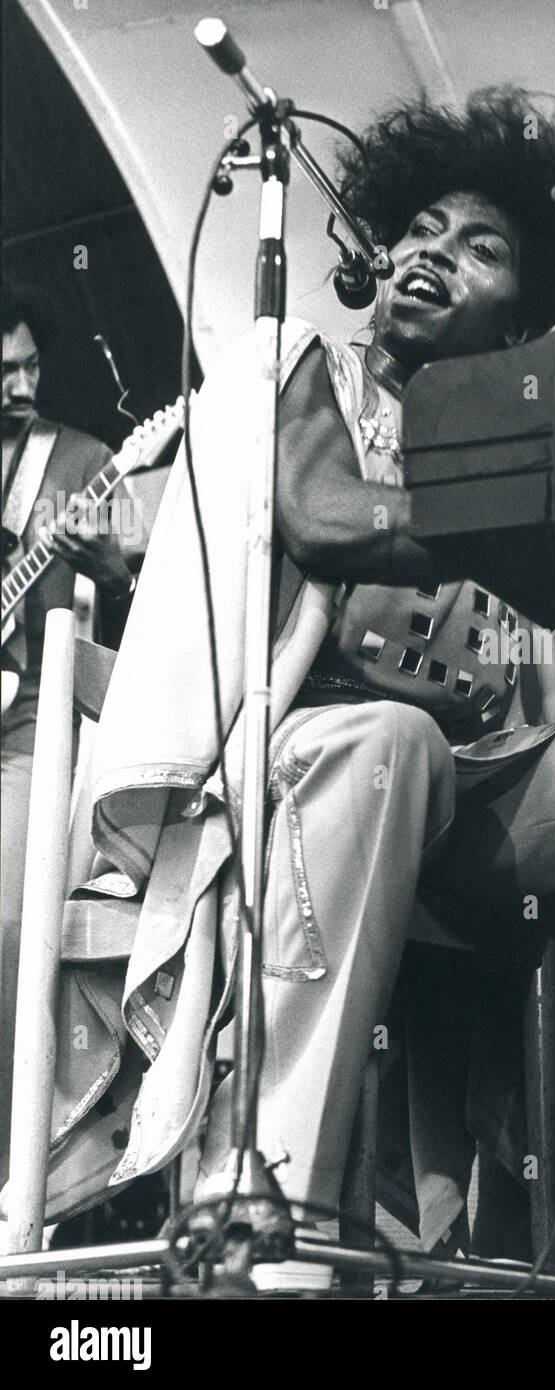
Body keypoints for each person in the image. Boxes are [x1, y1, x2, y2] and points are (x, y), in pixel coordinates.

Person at [7, 91, 555, 1287]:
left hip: (478, 797)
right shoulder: (301, 361)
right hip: (309, 759)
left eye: (481, 246)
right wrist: (515, 525)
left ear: (527, 306)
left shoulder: (538, 428)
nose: (431, 255)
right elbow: (324, 516)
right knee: (391, 737)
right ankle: (281, 1220)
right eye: (419, 230)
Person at [0, 282, 136, 1187]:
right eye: (2, 369)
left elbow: (138, 590)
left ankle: (24, 1177)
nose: (21, 383)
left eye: (31, 365)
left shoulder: (83, 460)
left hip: (30, 729)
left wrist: (113, 567)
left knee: (12, 933)